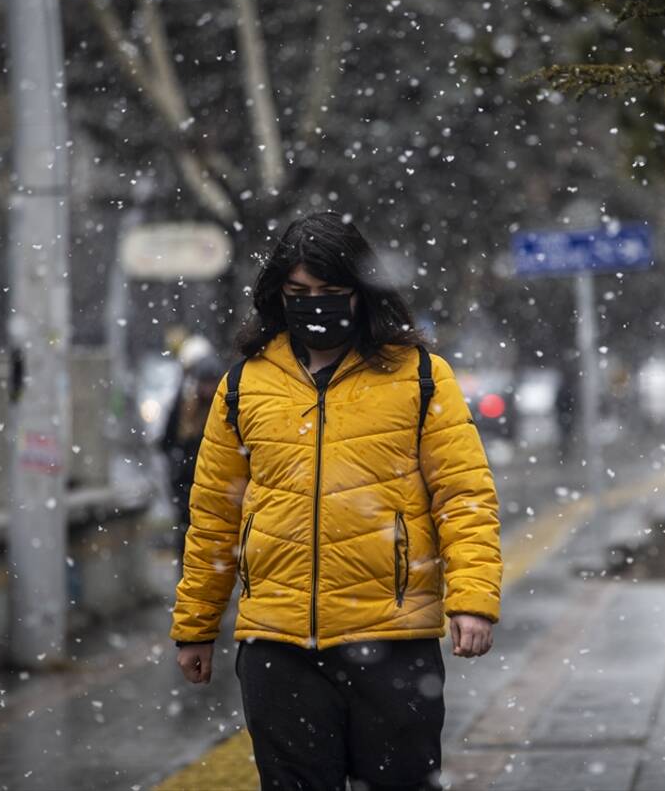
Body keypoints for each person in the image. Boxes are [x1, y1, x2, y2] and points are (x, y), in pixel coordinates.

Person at [171, 211, 503, 791]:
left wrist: (473, 600)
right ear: (277, 296)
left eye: (329, 292)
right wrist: (195, 625)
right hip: (278, 646)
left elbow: (465, 495)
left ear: (362, 293)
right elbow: (214, 518)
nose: (313, 305)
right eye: (298, 293)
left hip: (394, 641)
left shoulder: (421, 376)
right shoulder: (244, 384)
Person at [159, 351, 225, 562]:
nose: (208, 389)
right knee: (189, 543)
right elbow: (167, 442)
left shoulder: (226, 407)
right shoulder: (185, 407)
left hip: (216, 490)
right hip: (188, 488)